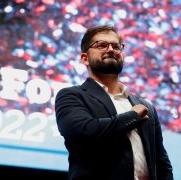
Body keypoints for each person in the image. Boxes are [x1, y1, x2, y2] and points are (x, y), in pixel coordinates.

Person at [55, 25, 173, 180]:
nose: (111, 49)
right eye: (102, 45)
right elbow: (84, 132)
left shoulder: (146, 106)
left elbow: (161, 162)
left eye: (116, 46)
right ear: (85, 58)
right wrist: (132, 116)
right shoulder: (72, 96)